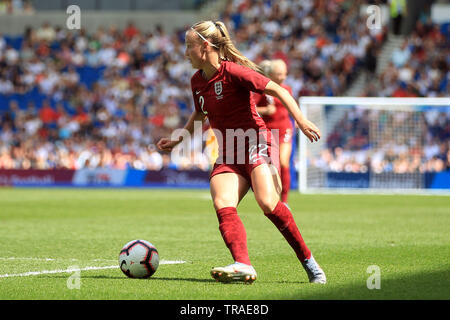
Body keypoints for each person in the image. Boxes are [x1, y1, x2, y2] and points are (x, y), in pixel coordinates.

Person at [157, 20, 326, 284]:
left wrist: (301, 121)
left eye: (188, 46)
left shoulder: (234, 72)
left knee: (268, 204)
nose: (185, 52)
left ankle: (310, 263)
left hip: (256, 143)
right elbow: (201, 113)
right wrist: (179, 139)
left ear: (204, 46)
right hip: (229, 153)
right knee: (222, 203)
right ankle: (243, 264)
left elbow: (277, 89)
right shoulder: (196, 81)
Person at [254, 59, 294, 205]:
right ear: (271, 74)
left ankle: (284, 201)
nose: (282, 77)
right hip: (268, 130)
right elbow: (250, 107)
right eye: (279, 74)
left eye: (284, 74)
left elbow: (291, 107)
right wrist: (265, 110)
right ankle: (272, 196)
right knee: (272, 165)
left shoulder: (287, 89)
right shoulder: (262, 90)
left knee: (283, 162)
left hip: (285, 129)